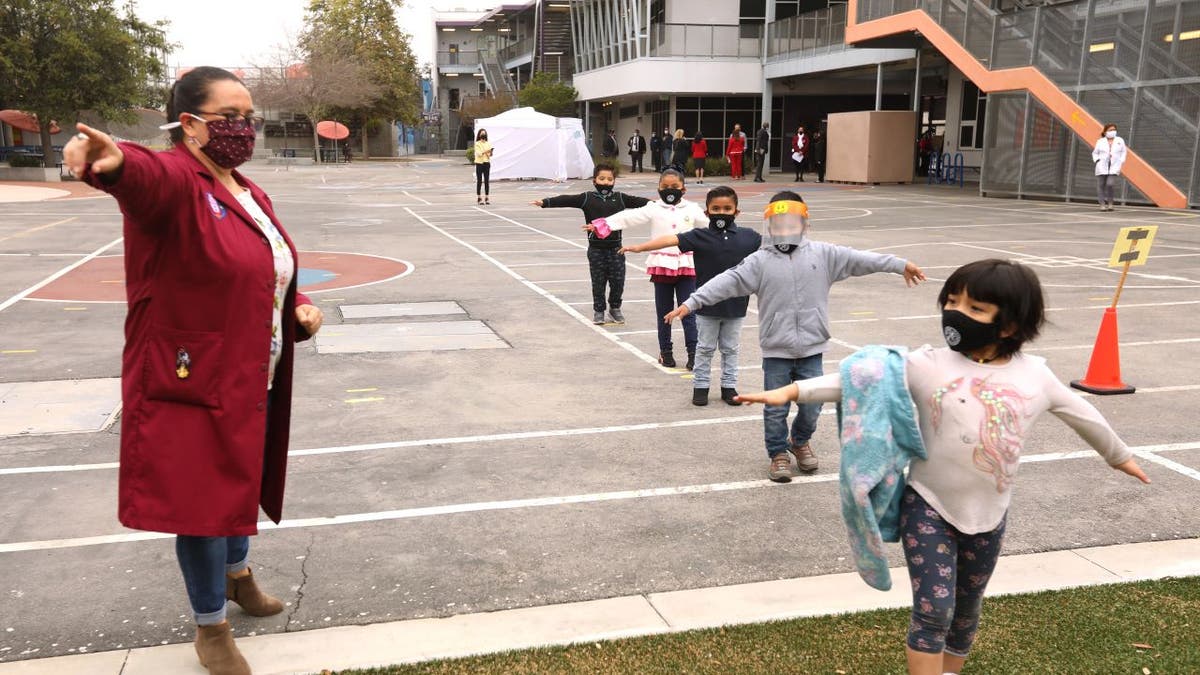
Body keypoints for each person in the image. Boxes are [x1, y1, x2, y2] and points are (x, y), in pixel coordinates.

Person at [736, 258, 1150, 675]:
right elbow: (861, 379)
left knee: (967, 611)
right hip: (928, 506)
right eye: (952, 301)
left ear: (1008, 326)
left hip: (990, 515)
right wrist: (790, 391)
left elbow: (1084, 414)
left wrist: (1120, 457)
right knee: (934, 609)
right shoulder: (927, 364)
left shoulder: (1036, 376)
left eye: (974, 308)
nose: (955, 314)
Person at [62, 66, 325, 675]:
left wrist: (296, 305)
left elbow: (270, 261)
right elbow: (144, 178)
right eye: (230, 117)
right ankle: (211, 626)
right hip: (193, 377)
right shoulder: (177, 178)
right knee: (203, 504)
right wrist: (116, 159)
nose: (244, 128)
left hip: (250, 369)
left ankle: (237, 576)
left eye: (249, 117)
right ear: (190, 124)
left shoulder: (244, 188)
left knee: (239, 478)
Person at [665, 191, 925, 481]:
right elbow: (728, 281)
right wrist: (691, 302)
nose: (784, 230)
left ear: (803, 224)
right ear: (770, 226)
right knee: (776, 408)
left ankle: (799, 441)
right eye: (778, 224)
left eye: (791, 224)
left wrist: (899, 264)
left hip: (813, 347)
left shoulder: (825, 255)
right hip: (776, 349)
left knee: (813, 405)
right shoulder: (759, 261)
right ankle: (777, 453)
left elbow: (861, 259)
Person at [621, 185, 761, 405]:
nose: (721, 213)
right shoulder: (700, 235)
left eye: (727, 208)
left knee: (730, 349)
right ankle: (701, 386)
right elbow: (670, 240)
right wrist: (640, 247)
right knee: (704, 348)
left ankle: (729, 387)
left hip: (736, 306)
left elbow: (772, 251)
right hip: (706, 307)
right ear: (707, 212)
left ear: (736, 212)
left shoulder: (749, 237)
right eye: (716, 208)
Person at [586, 168, 705, 369]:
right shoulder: (653, 207)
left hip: (686, 266)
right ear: (658, 188)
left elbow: (709, 227)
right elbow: (628, 217)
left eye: (674, 187)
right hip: (661, 266)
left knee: (688, 311)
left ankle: (693, 353)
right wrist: (604, 224)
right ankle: (665, 352)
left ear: (683, 189)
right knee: (664, 312)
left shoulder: (692, 208)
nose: (670, 190)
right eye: (665, 187)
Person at [531, 161, 650, 324]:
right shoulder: (587, 198)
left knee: (618, 282)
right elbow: (567, 199)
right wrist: (545, 202)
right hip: (596, 250)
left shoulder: (621, 198)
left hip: (616, 249)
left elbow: (643, 202)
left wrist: (663, 204)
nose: (606, 182)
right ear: (594, 181)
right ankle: (599, 311)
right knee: (598, 282)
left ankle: (615, 308)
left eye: (609, 179)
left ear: (614, 181)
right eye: (602, 179)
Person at [1092, 123, 1126, 211]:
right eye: (1110, 130)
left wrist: (1121, 160)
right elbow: (1095, 153)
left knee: (1110, 184)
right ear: (1105, 131)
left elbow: (1123, 152)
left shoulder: (1120, 140)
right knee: (1101, 185)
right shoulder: (1100, 141)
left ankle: (1110, 203)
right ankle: (1102, 204)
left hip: (1114, 166)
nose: (1113, 131)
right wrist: (1097, 160)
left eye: (1114, 130)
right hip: (1102, 166)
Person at [474, 128, 493, 205]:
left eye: (484, 133)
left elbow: (489, 154)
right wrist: (486, 151)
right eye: (482, 133)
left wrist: (490, 152)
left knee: (486, 181)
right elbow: (479, 153)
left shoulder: (488, 143)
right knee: (479, 181)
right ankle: (479, 197)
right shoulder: (477, 143)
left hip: (486, 163)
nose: (483, 134)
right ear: (479, 135)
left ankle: (487, 197)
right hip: (479, 163)